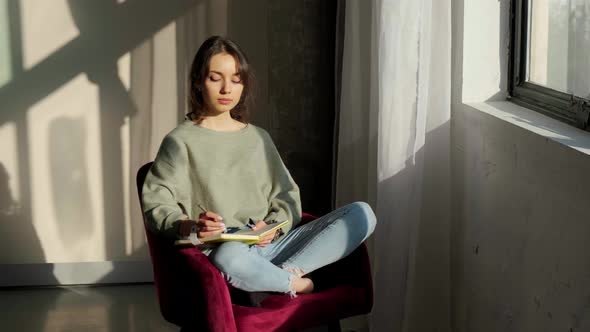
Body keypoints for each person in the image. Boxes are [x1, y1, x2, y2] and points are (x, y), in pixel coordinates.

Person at [142, 36, 376, 297]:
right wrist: (193, 226)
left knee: (362, 214)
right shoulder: (180, 141)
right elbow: (156, 205)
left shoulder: (258, 138)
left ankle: (276, 277)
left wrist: (272, 228)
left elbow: (287, 198)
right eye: (215, 78)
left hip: (272, 243)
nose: (226, 89)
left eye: (236, 79)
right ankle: (295, 284)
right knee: (229, 257)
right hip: (228, 248)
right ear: (198, 82)